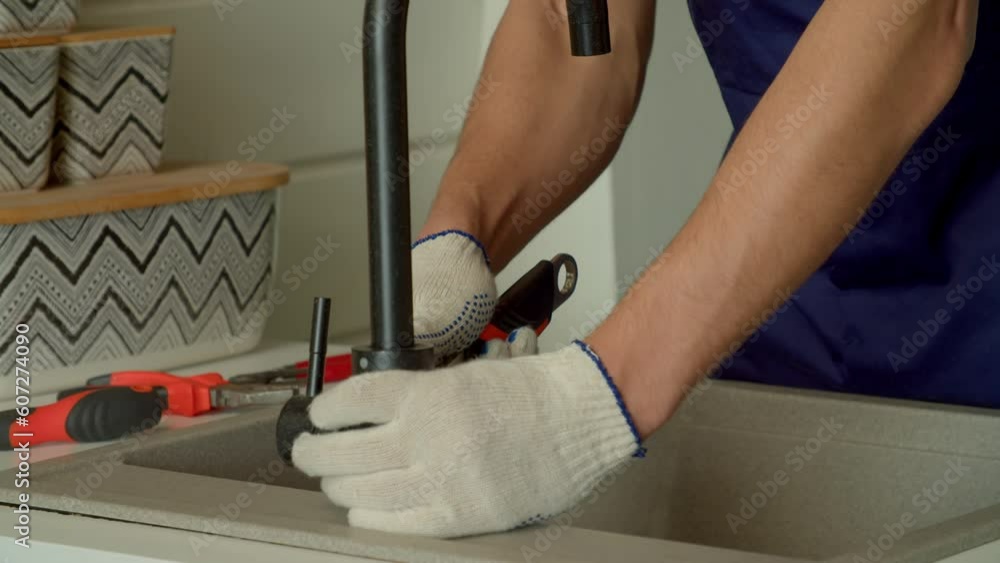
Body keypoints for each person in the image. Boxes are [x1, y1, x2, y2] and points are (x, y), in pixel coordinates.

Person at [292, 0, 985, 538]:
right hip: (785, 316)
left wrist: (590, 398)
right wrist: (455, 244)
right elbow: (576, 25)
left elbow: (913, 25)